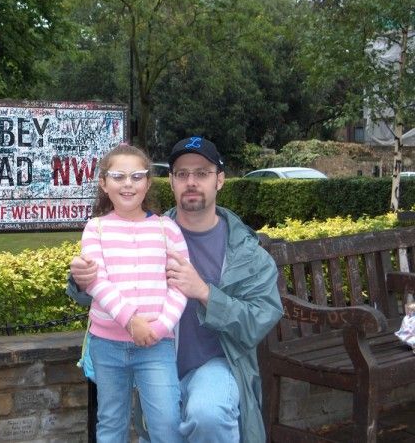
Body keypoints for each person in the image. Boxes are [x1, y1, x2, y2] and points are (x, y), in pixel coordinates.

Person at [67, 137, 283, 443]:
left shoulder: (247, 254)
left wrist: (205, 293)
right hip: (151, 358)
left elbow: (261, 318)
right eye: (182, 174)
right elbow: (95, 286)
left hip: (213, 364)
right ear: (170, 181)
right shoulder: (148, 227)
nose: (191, 182)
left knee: (208, 414)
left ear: (220, 180)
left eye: (202, 173)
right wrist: (80, 278)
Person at [79, 144, 189, 443]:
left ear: (148, 182)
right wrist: (131, 321)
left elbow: (181, 285)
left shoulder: (168, 229)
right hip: (107, 346)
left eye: (137, 176)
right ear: (104, 183)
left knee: (167, 424)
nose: (128, 184)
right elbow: (96, 282)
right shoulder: (95, 228)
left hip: (156, 344)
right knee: (111, 423)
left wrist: (159, 328)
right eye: (118, 176)